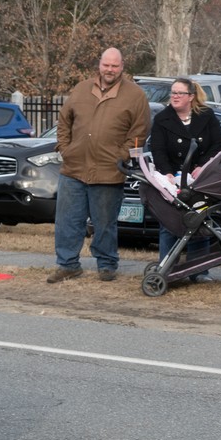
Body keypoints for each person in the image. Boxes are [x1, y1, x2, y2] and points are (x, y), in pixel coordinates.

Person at [48, 47, 150, 283]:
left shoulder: (135, 95)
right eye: (106, 65)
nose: (110, 70)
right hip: (74, 169)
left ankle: (106, 265)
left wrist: (121, 156)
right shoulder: (81, 88)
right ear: (99, 65)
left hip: (108, 171)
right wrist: (65, 148)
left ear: (122, 67)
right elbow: (64, 121)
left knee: (104, 223)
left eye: (115, 66)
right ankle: (67, 265)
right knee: (67, 221)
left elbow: (140, 132)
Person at [149, 78, 221, 282]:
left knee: (200, 222)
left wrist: (203, 166)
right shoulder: (162, 119)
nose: (174, 96)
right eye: (173, 92)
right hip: (172, 180)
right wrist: (166, 173)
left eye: (180, 93)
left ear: (191, 97)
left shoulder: (206, 116)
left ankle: (199, 271)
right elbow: (157, 150)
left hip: (201, 179)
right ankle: (167, 268)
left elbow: (218, 144)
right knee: (169, 223)